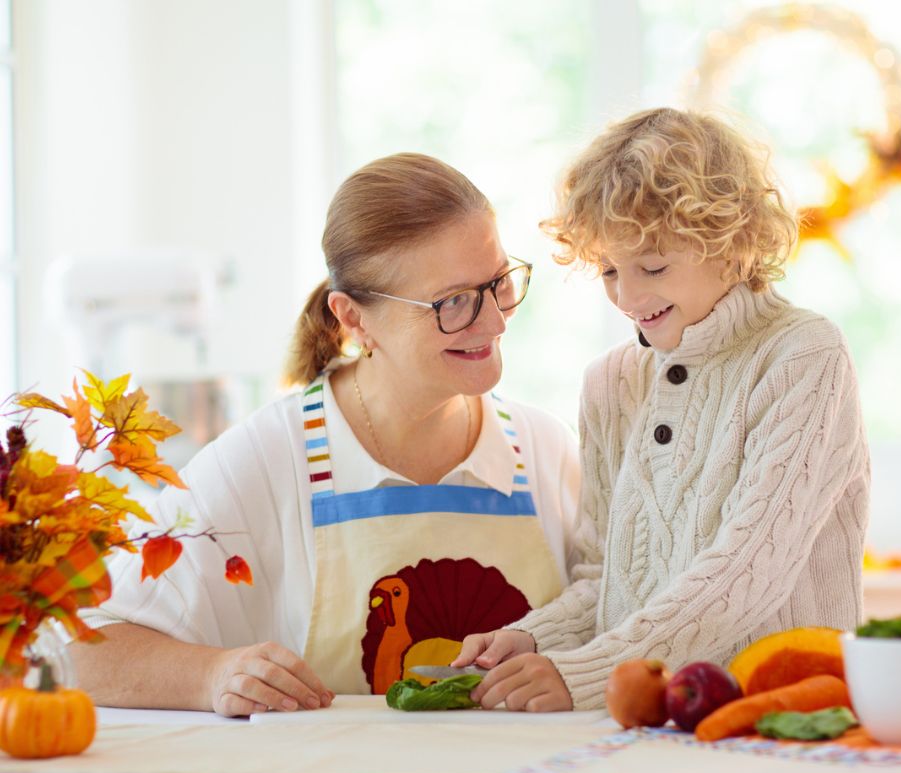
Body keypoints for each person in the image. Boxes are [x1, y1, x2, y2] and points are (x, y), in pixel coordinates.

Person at [71, 153, 579, 717]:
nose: (496, 321)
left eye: (498, 282)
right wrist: (212, 675)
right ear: (354, 318)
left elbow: (621, 623)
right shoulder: (269, 459)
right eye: (453, 302)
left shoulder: (546, 450)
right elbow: (81, 648)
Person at [453, 107, 870, 712]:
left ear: (732, 244)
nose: (627, 297)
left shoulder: (803, 356)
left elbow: (747, 573)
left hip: (782, 718)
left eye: (652, 267)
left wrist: (587, 672)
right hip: (647, 716)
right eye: (609, 271)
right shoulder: (611, 382)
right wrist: (531, 637)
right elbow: (604, 581)